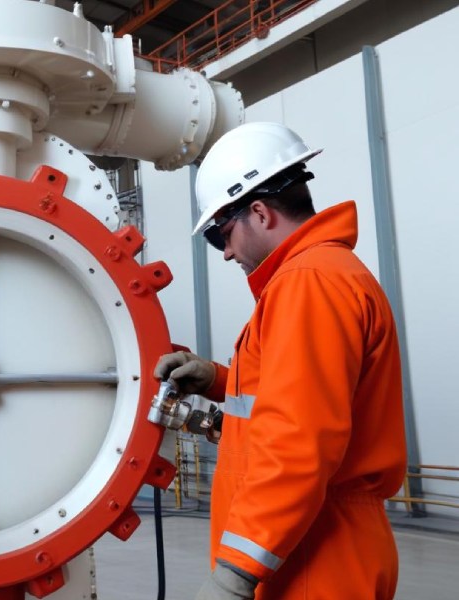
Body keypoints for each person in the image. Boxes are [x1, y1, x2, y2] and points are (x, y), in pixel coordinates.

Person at [155, 122, 407, 599]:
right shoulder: (321, 276)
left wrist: (235, 573)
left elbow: (299, 439)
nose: (226, 252)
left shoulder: (309, 283)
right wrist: (215, 380)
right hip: (310, 542)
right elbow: (293, 401)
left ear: (259, 213)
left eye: (220, 234)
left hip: (314, 553)